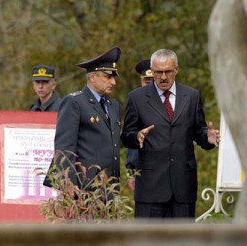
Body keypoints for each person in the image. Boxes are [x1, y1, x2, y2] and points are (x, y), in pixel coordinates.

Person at [121, 49, 220, 219]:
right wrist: (136, 137)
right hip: (150, 187)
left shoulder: (191, 96)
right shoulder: (136, 98)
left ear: (176, 70)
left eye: (168, 71)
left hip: (183, 187)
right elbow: (126, 136)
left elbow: (199, 131)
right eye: (158, 72)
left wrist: (208, 138)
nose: (163, 77)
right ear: (152, 71)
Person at [43, 47, 122, 189]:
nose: (113, 82)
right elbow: (64, 146)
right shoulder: (75, 102)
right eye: (108, 77)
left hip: (109, 186)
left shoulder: (113, 105)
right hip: (84, 186)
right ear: (92, 77)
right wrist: (68, 181)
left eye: (114, 77)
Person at [125, 59, 154, 190]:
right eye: (146, 82)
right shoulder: (136, 101)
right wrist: (131, 172)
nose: (149, 86)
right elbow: (130, 137)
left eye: (152, 82)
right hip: (143, 168)